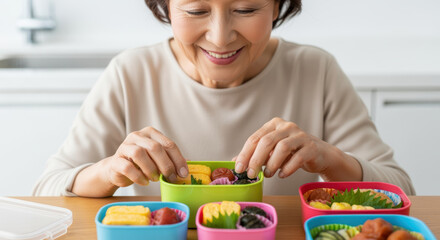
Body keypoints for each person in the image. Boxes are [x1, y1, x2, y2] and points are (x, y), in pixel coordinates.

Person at [32, 0, 415, 197]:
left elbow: (401, 190)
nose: (219, 37)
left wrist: (330, 159)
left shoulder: (315, 69)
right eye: (197, 10)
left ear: (279, 6)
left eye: (246, 9)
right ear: (165, 6)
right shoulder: (130, 72)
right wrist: (107, 172)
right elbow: (47, 188)